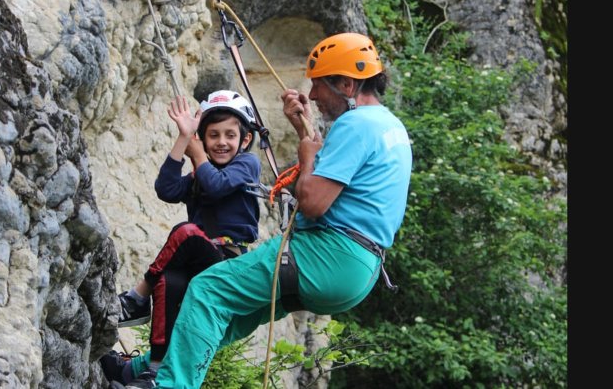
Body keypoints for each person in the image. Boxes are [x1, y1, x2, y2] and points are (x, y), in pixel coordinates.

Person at [123, 32, 413, 389]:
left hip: (326, 255)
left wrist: (306, 158)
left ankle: (169, 386)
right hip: (357, 272)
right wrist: (303, 128)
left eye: (319, 85)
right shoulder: (390, 127)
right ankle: (137, 370)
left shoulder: (356, 125)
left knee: (207, 290)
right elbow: (339, 182)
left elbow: (314, 202)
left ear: (347, 84)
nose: (314, 95)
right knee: (229, 317)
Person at [99, 90, 263, 386]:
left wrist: (198, 153)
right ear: (203, 137)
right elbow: (166, 188)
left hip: (227, 260)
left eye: (230, 135)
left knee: (185, 232)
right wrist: (183, 140)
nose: (222, 142)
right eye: (213, 135)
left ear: (245, 140)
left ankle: (137, 298)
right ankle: (155, 368)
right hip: (200, 261)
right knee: (169, 282)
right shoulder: (200, 174)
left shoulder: (246, 166)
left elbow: (217, 185)